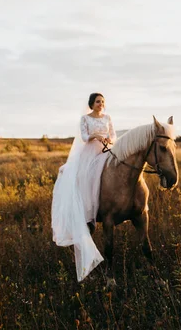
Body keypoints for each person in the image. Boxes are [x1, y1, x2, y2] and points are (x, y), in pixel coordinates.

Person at [51, 92, 117, 281]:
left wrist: (108, 140)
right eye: (98, 102)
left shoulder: (108, 117)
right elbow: (84, 136)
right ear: (91, 104)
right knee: (85, 177)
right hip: (90, 152)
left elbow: (113, 135)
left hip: (106, 150)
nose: (101, 104)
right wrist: (95, 135)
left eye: (103, 102)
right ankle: (88, 211)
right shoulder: (85, 119)